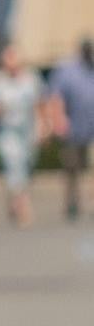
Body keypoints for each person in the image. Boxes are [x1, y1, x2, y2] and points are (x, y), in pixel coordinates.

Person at [0, 50, 43, 226]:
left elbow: (38, 104)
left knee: (26, 165)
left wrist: (42, 127)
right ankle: (22, 205)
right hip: (6, 131)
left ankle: (15, 198)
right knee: (13, 164)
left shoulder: (31, 79)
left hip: (27, 130)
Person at [51, 38, 94, 225]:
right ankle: (72, 202)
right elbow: (56, 97)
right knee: (72, 168)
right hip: (73, 128)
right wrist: (59, 120)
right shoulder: (67, 71)